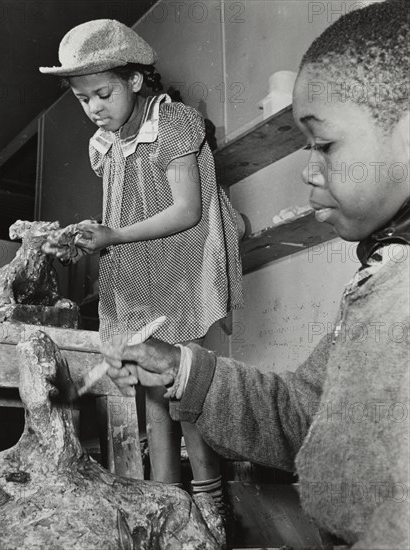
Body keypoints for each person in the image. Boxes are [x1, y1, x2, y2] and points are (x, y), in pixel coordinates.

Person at [103, 1, 410, 548]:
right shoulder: (383, 278)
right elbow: (303, 414)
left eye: (325, 144)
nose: (309, 170)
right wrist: (182, 370)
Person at [39, 19, 243, 512]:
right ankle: (166, 506)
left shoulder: (173, 123)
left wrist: (114, 235)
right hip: (138, 275)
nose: (94, 108)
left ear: (134, 79)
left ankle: (211, 510)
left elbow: (185, 210)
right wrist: (91, 237)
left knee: (186, 386)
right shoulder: (104, 145)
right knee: (151, 392)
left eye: (103, 93)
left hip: (183, 268)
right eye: (83, 99)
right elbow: (125, 209)